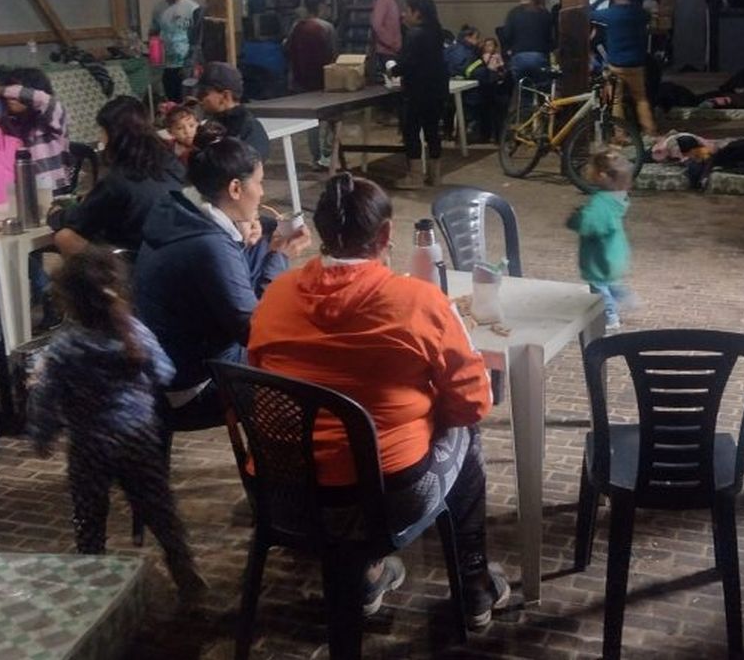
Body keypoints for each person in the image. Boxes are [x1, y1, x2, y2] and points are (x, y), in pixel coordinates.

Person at [248, 172, 510, 627]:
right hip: (387, 500)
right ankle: (473, 584)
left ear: (323, 232)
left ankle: (365, 575)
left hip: (282, 493)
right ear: (386, 234)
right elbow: (472, 402)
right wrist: (429, 417)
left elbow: (258, 382)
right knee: (467, 434)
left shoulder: (276, 295)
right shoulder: (417, 300)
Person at [26, 247, 206, 600]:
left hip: (88, 446)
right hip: (138, 439)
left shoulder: (64, 347)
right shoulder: (135, 334)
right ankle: (181, 562)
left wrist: (42, 434)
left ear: (69, 300)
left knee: (89, 514)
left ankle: (93, 574)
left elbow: (46, 397)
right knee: (159, 507)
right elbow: (166, 373)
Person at [133, 134, 310, 431]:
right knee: (314, 364)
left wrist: (249, 231)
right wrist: (280, 256)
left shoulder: (176, 210)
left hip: (162, 366)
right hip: (194, 386)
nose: (263, 193)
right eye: (260, 182)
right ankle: (281, 464)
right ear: (235, 188)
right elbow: (254, 331)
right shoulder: (209, 245)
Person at [55, 97, 184, 256]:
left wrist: (55, 214)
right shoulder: (172, 165)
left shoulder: (119, 179)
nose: (101, 138)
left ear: (113, 135)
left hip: (132, 263)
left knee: (65, 237)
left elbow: (78, 220)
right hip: (172, 252)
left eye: (102, 131)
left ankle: (96, 281)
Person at [0, 71, 70, 194]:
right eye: (9, 92)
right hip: (19, 191)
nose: (11, 98)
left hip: (53, 190)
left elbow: (44, 100)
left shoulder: (51, 121)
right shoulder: (9, 123)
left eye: (17, 92)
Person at [568, 150, 637, 330]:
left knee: (599, 290)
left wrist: (577, 218)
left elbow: (590, 225)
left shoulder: (601, 202)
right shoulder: (617, 197)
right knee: (610, 282)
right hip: (614, 252)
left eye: (591, 169)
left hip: (599, 257)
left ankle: (609, 318)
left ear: (601, 175)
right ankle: (624, 296)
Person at [393, 0, 449, 190]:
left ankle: (415, 177)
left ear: (417, 13)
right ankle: (435, 176)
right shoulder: (437, 32)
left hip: (418, 90)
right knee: (433, 131)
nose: (403, 14)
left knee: (411, 131)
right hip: (437, 89)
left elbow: (408, 63)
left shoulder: (415, 34)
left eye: (406, 10)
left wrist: (392, 70)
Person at [590, 0, 658, 136]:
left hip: (616, 65)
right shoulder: (641, 14)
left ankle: (620, 134)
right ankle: (650, 131)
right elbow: (648, 15)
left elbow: (588, 13)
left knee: (616, 100)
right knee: (641, 98)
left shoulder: (610, 14)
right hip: (637, 64)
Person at [194, 62, 270, 161]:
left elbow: (250, 169)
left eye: (203, 93)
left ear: (226, 96)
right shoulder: (210, 123)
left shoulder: (249, 128)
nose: (199, 98)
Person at [151, 0, 203, 102]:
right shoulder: (158, 9)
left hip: (187, 65)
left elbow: (198, 38)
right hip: (168, 65)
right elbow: (154, 35)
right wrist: (155, 62)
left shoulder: (193, 8)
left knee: (189, 100)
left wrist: (193, 62)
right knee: (171, 101)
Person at [500, 0, 555, 83]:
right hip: (540, 55)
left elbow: (506, 35)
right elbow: (550, 37)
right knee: (541, 89)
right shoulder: (544, 13)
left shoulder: (513, 13)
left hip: (519, 56)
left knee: (523, 90)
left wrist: (508, 49)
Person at [288, 0, 337, 93]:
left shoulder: (296, 26)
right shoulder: (327, 27)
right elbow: (333, 55)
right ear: (321, 6)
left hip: (297, 83)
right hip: (320, 83)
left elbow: (288, 49)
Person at [369, 0, 407, 77]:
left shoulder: (392, 0)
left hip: (393, 50)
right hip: (386, 50)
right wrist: (392, 43)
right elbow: (376, 24)